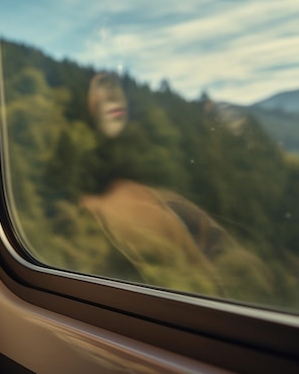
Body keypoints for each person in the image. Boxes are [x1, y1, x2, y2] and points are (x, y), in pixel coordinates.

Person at [79, 73, 272, 298]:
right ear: (90, 109)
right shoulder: (104, 204)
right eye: (102, 95)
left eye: (117, 93)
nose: (113, 96)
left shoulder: (160, 197)